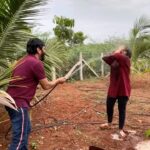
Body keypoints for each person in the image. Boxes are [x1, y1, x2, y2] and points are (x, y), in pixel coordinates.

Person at [5, 38, 66, 150]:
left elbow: (22, 80)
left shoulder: (22, 60)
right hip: (18, 103)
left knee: (26, 130)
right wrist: (58, 80)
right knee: (19, 140)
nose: (45, 51)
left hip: (11, 100)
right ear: (38, 49)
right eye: (44, 49)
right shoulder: (36, 62)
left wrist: (32, 87)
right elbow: (46, 86)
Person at [100, 46, 132, 138]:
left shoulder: (126, 60)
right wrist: (114, 53)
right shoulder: (115, 61)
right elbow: (105, 58)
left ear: (127, 55)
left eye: (123, 51)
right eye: (121, 51)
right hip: (113, 88)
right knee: (109, 106)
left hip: (123, 89)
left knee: (121, 109)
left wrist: (118, 50)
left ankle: (120, 129)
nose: (121, 52)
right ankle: (109, 123)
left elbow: (117, 55)